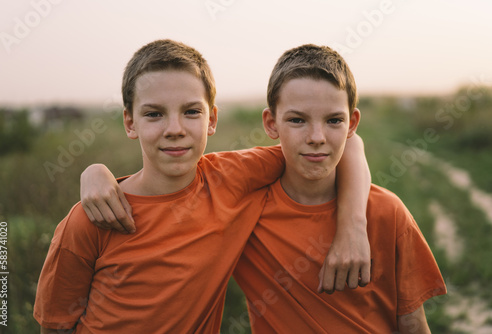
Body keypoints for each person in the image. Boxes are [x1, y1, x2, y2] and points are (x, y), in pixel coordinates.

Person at [34, 39, 371, 333]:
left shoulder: (234, 178)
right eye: (154, 114)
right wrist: (93, 171)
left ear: (211, 119)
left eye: (191, 112)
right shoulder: (92, 218)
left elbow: (345, 144)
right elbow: (56, 325)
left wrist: (353, 227)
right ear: (129, 121)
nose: (175, 129)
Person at [230, 44, 447, 333]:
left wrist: (355, 223)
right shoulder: (245, 212)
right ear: (271, 123)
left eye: (334, 120)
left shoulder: (386, 212)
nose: (317, 137)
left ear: (352, 123)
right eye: (297, 120)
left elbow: (413, 325)